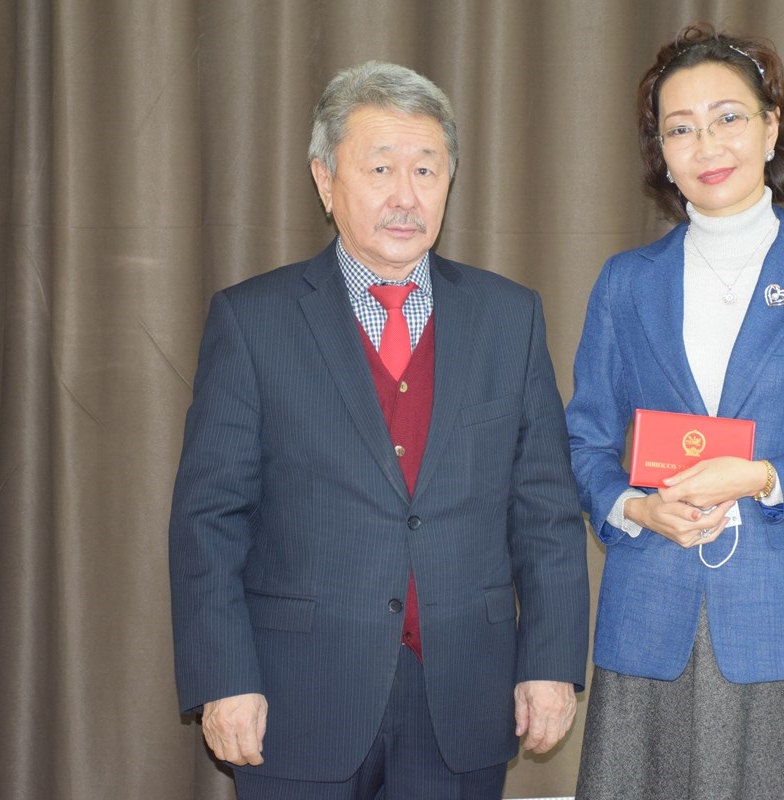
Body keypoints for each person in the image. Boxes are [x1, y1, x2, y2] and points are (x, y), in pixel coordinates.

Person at [169, 60, 589, 800]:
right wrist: (224, 678)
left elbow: (546, 512)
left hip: (464, 694)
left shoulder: (508, 317)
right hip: (297, 696)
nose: (406, 195)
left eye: (426, 169)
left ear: (450, 180)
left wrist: (550, 663)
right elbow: (210, 520)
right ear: (325, 180)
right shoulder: (253, 320)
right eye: (380, 168)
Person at [566, 23, 784, 800]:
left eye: (728, 117)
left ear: (771, 127)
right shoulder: (625, 282)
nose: (707, 144)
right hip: (652, 621)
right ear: (661, 150)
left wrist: (761, 477)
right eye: (680, 128)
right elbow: (583, 441)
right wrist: (634, 508)